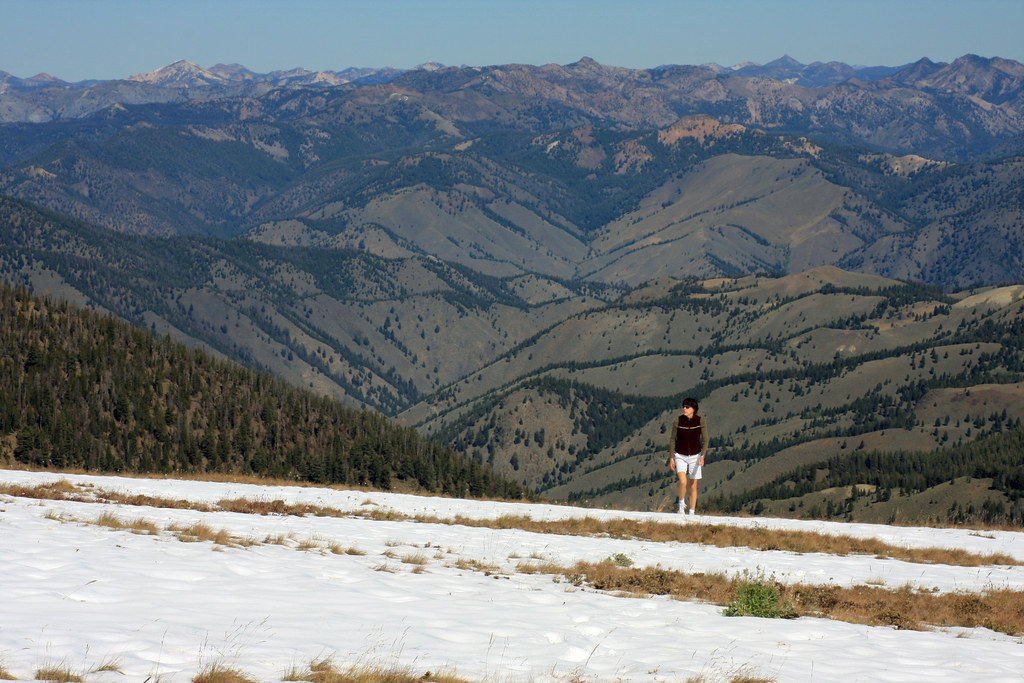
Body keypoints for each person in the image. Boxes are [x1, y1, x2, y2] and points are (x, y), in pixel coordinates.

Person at [668, 397, 709, 515]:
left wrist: (703, 455)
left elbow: (705, 440)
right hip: (680, 455)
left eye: (687, 407)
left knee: (693, 485)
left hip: (695, 456)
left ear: (693, 409)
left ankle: (692, 512)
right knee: (682, 481)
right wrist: (671, 457)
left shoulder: (700, 421)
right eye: (683, 406)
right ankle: (681, 506)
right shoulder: (678, 421)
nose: (684, 409)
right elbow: (672, 439)